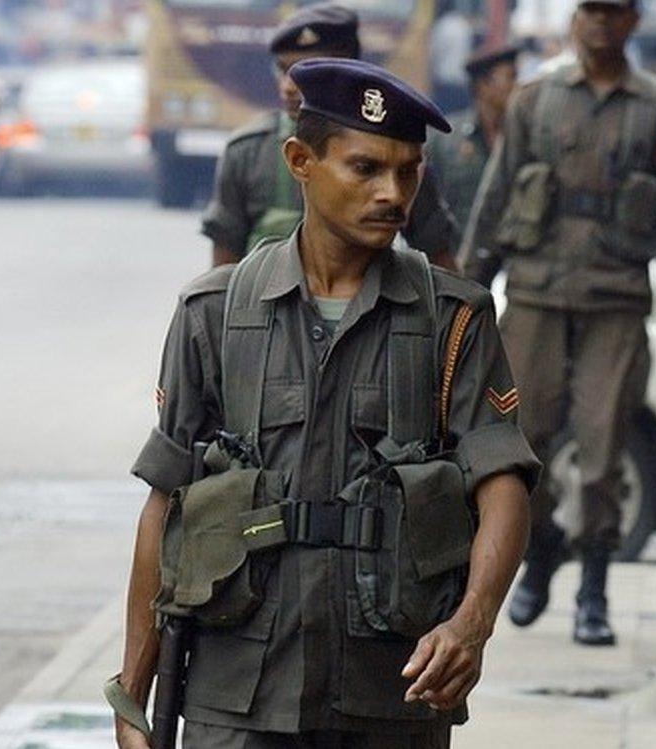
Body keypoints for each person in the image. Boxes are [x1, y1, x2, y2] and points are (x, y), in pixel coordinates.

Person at [112, 58, 540, 748]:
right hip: (238, 692)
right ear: (300, 160)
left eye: (408, 172)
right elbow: (165, 502)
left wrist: (472, 622)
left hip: (389, 688)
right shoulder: (213, 313)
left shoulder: (453, 318)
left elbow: (503, 480)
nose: (392, 193)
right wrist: (133, 690)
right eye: (366, 168)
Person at [459, 0, 656, 647]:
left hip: (616, 301)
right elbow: (496, 194)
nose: (600, 22)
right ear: (574, 20)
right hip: (537, 294)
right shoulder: (534, 101)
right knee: (522, 446)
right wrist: (464, 291)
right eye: (590, 9)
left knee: (602, 450)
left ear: (632, 22)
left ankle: (594, 588)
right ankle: (541, 551)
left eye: (613, 11)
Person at [201, 3, 460, 271]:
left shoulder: (396, 158)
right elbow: (224, 268)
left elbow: (440, 257)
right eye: (282, 69)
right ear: (297, 159)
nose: (288, 86)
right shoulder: (248, 152)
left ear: (348, 69)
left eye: (306, 71)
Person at [429, 44, 519, 230]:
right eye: (510, 77)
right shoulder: (445, 138)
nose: (517, 86)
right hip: (455, 250)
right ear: (484, 85)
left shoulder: (523, 136)